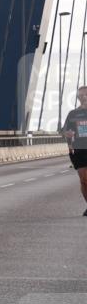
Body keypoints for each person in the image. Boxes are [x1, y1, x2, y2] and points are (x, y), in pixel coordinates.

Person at [61, 85, 87, 216]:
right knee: (83, 179)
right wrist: (68, 136)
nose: (83, 97)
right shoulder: (73, 114)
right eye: (80, 95)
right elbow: (64, 130)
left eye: (85, 94)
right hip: (80, 149)